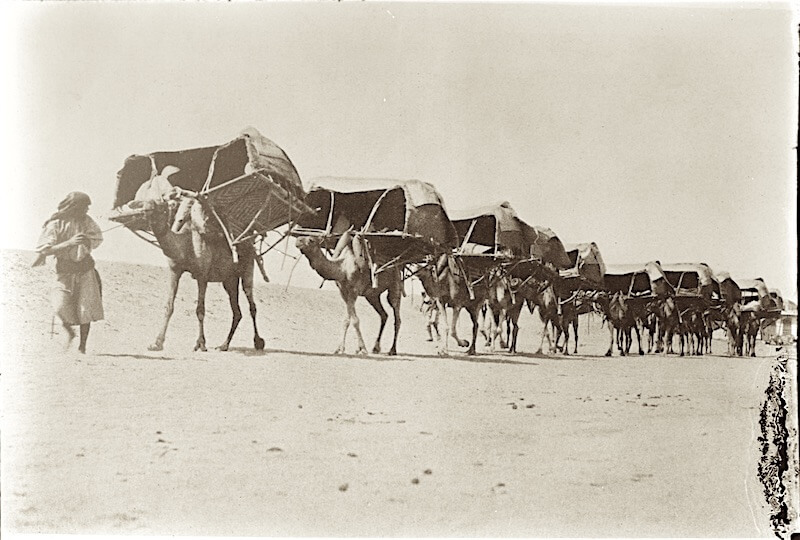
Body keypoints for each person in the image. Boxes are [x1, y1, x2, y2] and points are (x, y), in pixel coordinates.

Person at [32, 191, 104, 354]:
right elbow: (45, 250)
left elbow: (97, 238)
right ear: (74, 207)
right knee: (59, 306)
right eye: (85, 206)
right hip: (64, 270)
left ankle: (82, 347)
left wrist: (87, 241)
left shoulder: (87, 221)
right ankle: (70, 333)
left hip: (85, 269)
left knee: (85, 309)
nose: (87, 210)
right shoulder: (56, 224)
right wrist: (69, 243)